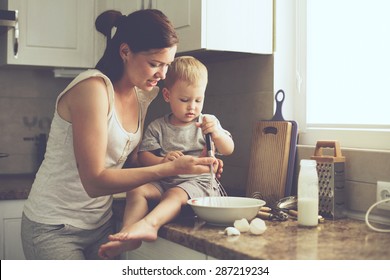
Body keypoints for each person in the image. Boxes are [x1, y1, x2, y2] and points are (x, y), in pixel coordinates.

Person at [21, 10, 219, 260]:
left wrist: (176, 163)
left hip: (101, 224)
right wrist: (167, 170)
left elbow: (130, 162)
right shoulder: (92, 89)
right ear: (125, 52)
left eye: (167, 64)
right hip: (54, 227)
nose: (163, 75)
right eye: (155, 64)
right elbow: (94, 182)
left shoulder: (142, 95)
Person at [98, 56, 234, 259]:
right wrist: (163, 162)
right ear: (167, 95)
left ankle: (150, 224)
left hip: (197, 184)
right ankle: (127, 233)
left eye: (198, 100)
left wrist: (217, 134)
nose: (192, 107)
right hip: (164, 182)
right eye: (184, 100)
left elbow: (229, 148)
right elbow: (144, 157)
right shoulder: (158, 127)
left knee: (175, 195)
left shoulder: (207, 123)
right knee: (136, 189)